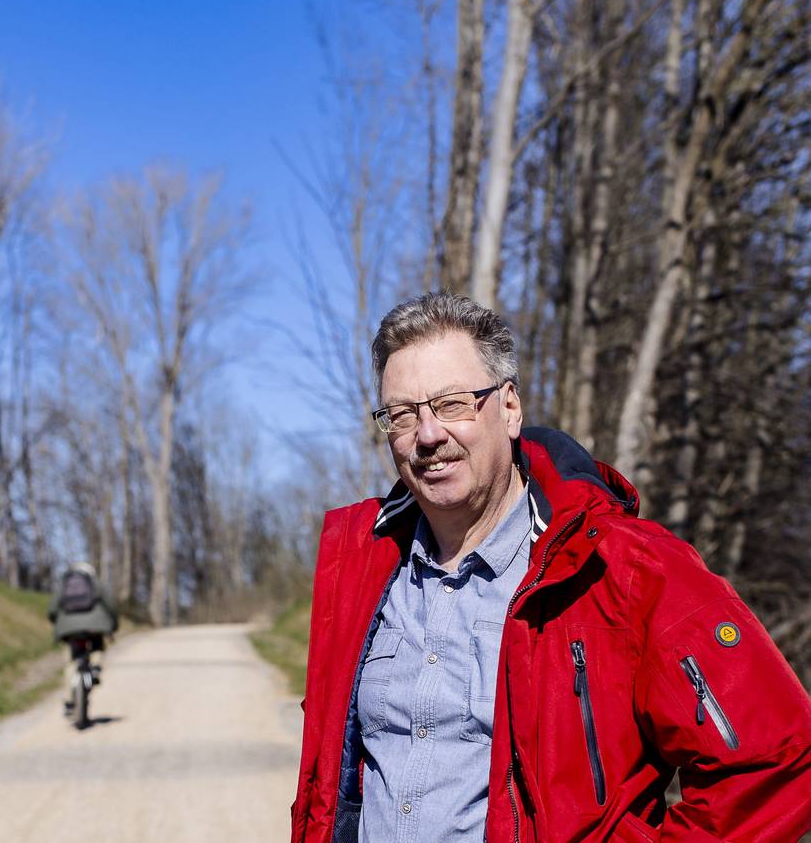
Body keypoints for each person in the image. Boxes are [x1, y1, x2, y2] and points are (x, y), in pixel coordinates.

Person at [291, 292, 811, 842]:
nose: (427, 435)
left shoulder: (624, 570)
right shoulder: (361, 565)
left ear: (509, 407)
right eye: (402, 415)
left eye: (453, 404)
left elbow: (777, 763)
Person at [48, 562, 118, 711]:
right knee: (97, 646)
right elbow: (110, 604)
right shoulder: (95, 582)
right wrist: (113, 624)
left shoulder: (64, 584)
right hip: (95, 626)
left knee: (71, 662)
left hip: (69, 629)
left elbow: (53, 609)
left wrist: (57, 623)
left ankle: (69, 700)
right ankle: (96, 668)